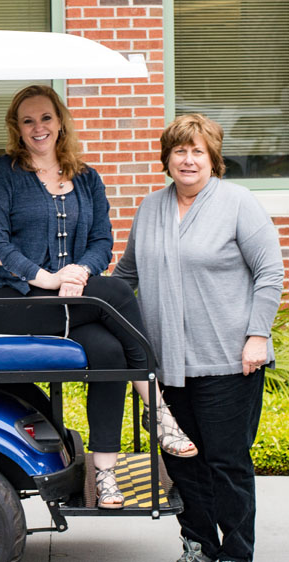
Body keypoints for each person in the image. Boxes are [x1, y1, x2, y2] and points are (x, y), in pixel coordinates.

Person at [0, 85, 196, 510]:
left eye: (45, 118)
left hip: (72, 299)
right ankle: (159, 407)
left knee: (109, 350)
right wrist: (49, 279)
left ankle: (106, 474)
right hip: (11, 302)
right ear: (17, 128)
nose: (38, 128)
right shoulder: (2, 174)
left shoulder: (86, 176)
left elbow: (102, 241)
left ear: (60, 121)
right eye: (28, 121)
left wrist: (78, 272)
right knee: (113, 291)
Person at [113, 114, 283, 562]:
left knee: (227, 465)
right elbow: (126, 275)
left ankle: (237, 554)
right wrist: (87, 296)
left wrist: (257, 336)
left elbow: (270, 274)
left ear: (213, 158)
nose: (188, 160)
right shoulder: (151, 207)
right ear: (167, 158)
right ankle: (200, 547)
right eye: (179, 150)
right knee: (185, 466)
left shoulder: (238, 203)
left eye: (197, 151)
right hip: (168, 365)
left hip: (229, 361)